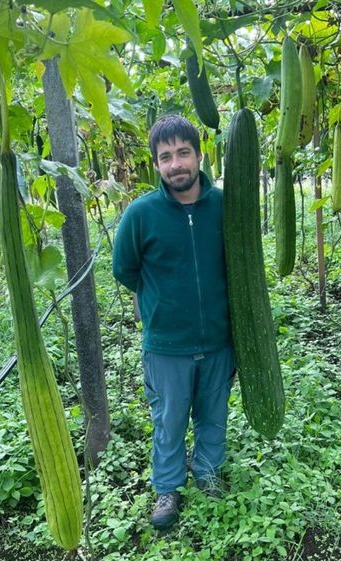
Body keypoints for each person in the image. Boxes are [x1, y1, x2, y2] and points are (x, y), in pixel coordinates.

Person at [112, 115, 236, 530]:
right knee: (168, 419)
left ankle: (207, 472)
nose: (175, 164)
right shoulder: (141, 214)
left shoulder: (224, 206)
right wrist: (159, 303)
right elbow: (124, 269)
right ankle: (168, 488)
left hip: (219, 338)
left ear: (200, 156)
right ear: (156, 165)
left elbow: (241, 264)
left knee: (213, 413)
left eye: (183, 152)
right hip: (166, 343)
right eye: (166, 157)